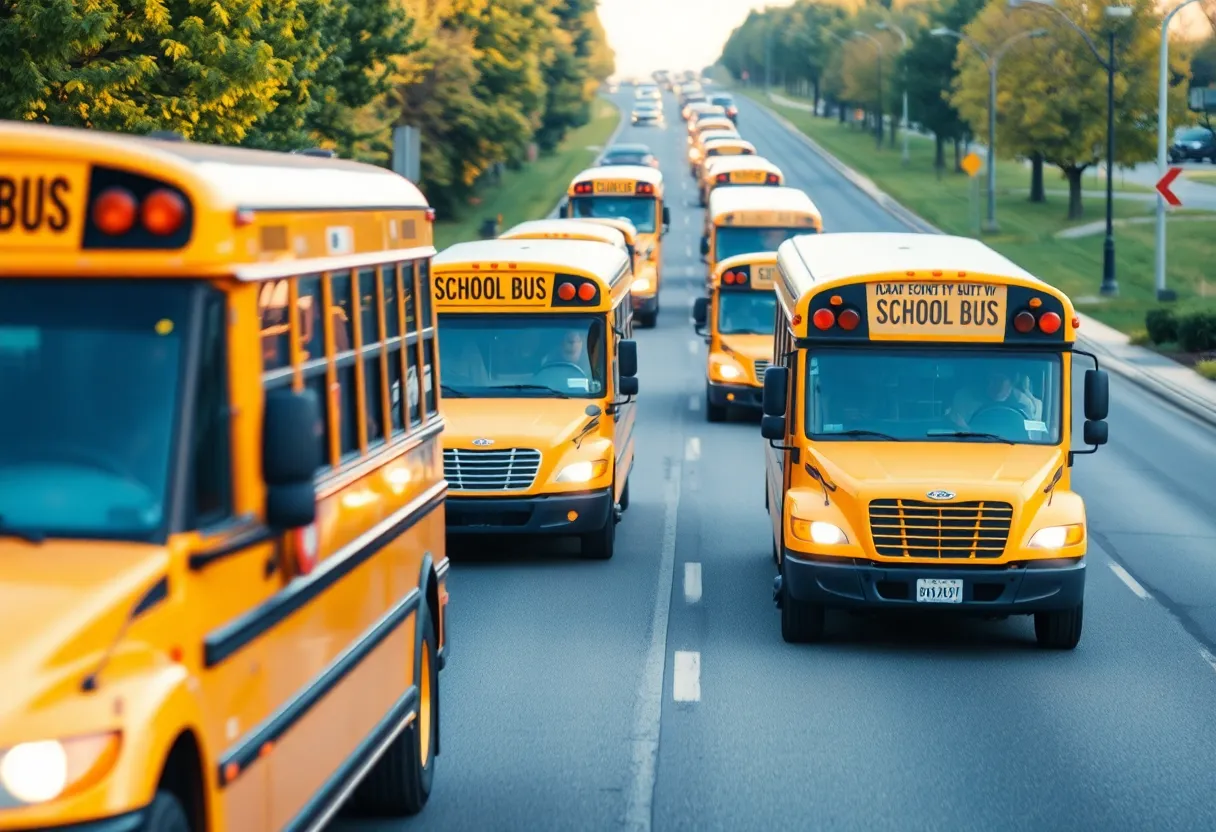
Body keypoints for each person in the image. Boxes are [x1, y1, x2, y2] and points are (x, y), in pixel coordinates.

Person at [948, 366, 1039, 430]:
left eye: (998, 380)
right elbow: (957, 428)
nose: (991, 385)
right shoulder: (966, 399)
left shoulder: (1024, 403)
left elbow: (1031, 434)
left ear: (1012, 381)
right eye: (989, 379)